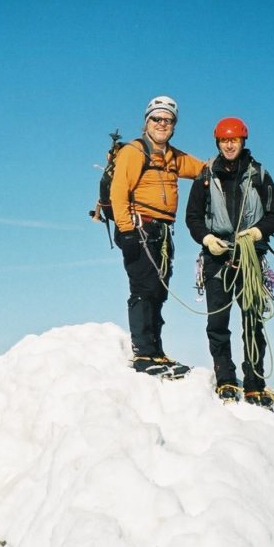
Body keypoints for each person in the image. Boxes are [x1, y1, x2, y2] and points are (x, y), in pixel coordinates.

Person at [185, 117, 274, 405]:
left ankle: (255, 383)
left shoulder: (259, 175)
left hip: (250, 257)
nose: (229, 145)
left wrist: (257, 231)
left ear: (243, 142)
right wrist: (206, 239)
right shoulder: (205, 177)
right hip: (217, 258)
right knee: (218, 322)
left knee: (252, 322)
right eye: (225, 140)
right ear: (218, 142)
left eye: (234, 140)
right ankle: (226, 379)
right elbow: (192, 218)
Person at [111, 96, 205, 377]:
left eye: (168, 120)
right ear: (146, 122)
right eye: (157, 118)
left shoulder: (173, 157)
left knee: (158, 290)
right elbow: (118, 192)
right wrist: (127, 232)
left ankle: (155, 350)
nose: (162, 124)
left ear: (174, 125)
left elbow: (203, 169)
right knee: (143, 289)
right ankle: (143, 354)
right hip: (139, 228)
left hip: (162, 232)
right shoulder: (133, 152)